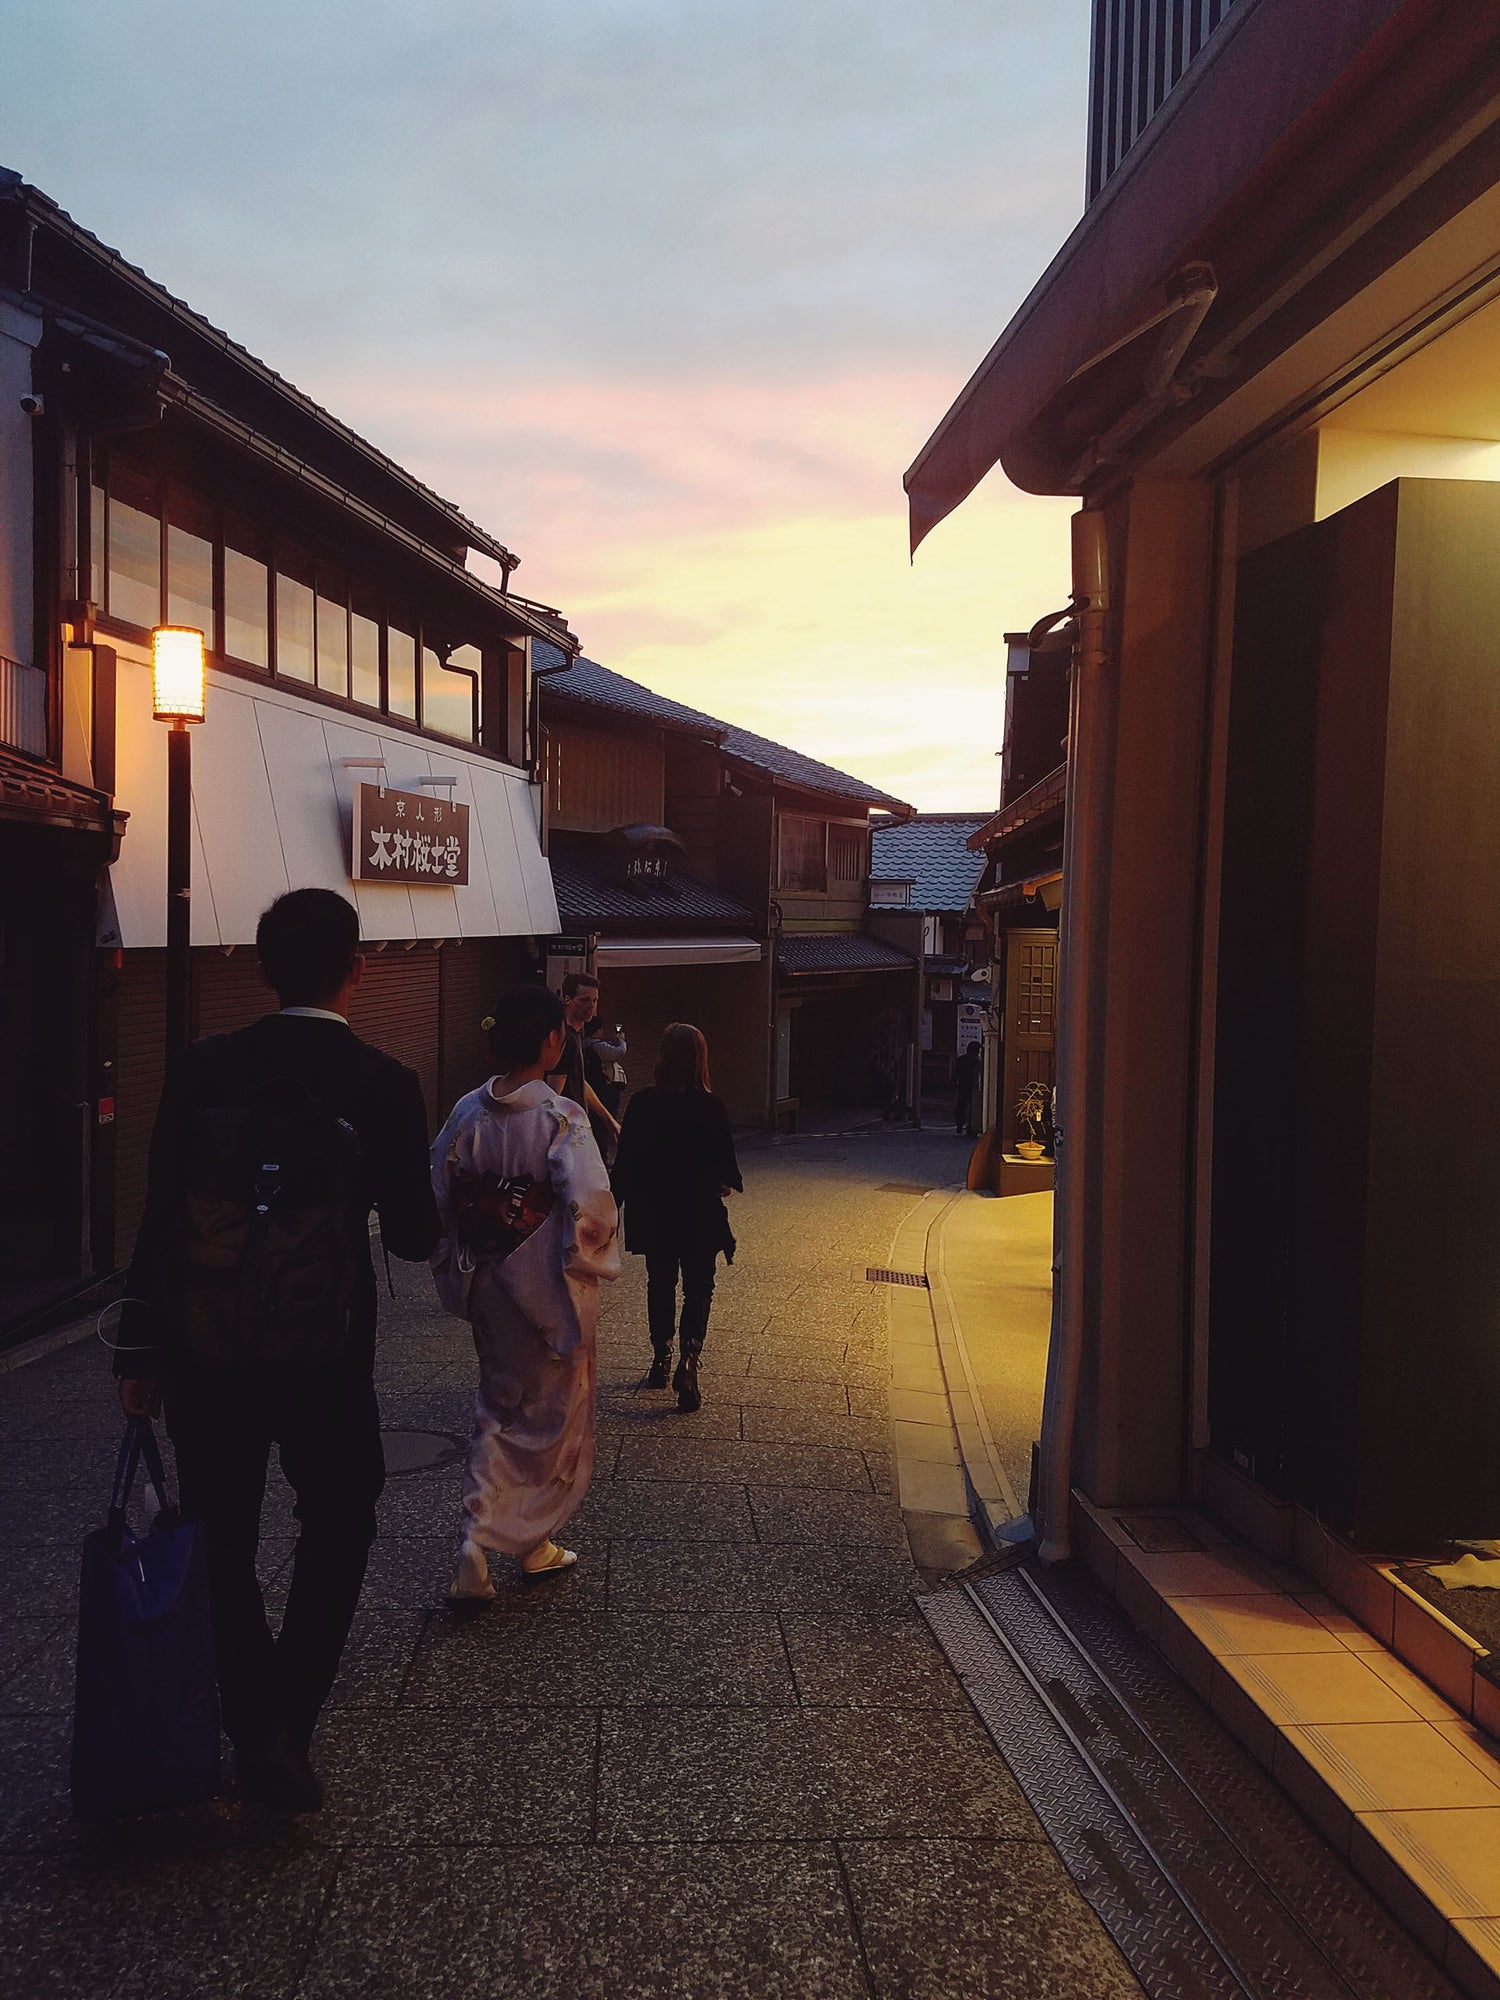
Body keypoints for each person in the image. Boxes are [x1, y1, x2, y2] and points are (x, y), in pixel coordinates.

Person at [115, 888, 440, 1813]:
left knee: (218, 1532)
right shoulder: (382, 1082)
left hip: (205, 1351)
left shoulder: (203, 1068)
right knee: (339, 1521)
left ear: (262, 968)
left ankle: (249, 1711)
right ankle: (285, 1728)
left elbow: (160, 1217)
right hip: (324, 1357)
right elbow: (414, 1238)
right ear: (357, 969)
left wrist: (138, 1354)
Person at [431, 984, 619, 1599]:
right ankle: (515, 1537)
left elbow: (440, 1193)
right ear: (550, 1042)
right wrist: (574, 1249)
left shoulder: (466, 1112)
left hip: (488, 1284)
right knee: (550, 1419)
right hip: (546, 1293)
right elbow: (593, 1209)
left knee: (498, 1406)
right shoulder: (560, 1118)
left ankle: (492, 1539)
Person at [610, 1022, 742, 1413]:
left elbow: (626, 1163)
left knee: (661, 1280)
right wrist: (721, 1183)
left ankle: (661, 1355)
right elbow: (725, 1168)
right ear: (701, 1059)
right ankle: (690, 1356)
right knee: (700, 1286)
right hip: (699, 1210)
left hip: (655, 1209)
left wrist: (610, 1208)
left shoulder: (642, 1103)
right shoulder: (711, 1106)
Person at [547, 971, 621, 1159]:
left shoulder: (576, 1036)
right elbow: (553, 1093)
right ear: (567, 999)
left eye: (594, 1001)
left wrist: (607, 1118)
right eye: (584, 1000)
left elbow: (579, 1081)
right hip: (566, 1134)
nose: (591, 1006)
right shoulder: (566, 1039)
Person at [954, 1039, 982, 1138]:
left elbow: (956, 1073)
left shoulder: (961, 1059)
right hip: (972, 1086)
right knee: (972, 1107)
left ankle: (959, 1125)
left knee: (961, 1106)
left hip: (962, 1085)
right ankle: (971, 1127)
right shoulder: (977, 1062)